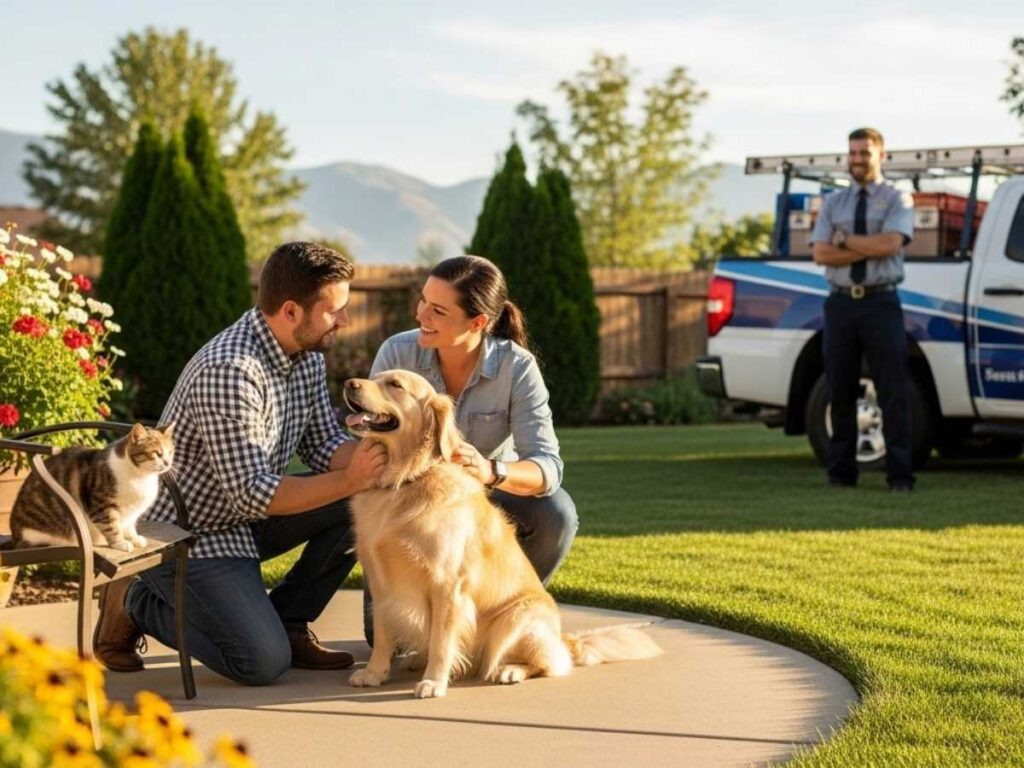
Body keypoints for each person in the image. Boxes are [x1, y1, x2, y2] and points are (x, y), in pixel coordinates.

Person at [93, 241, 388, 686]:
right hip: (190, 532)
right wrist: (351, 478)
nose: (345, 320)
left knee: (368, 493)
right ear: (291, 311)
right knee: (259, 662)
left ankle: (288, 621)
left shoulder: (305, 356)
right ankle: (137, 595)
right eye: (335, 311)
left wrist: (384, 462)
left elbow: (323, 443)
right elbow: (254, 493)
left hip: (245, 516)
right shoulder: (231, 370)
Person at [363, 254, 578, 643]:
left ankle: (498, 617)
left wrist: (491, 471)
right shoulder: (397, 354)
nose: (421, 314)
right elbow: (369, 438)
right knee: (378, 635)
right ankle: (436, 622)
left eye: (438, 310)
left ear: (477, 322)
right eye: (423, 301)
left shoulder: (518, 368)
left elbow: (547, 466)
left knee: (556, 512)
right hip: (412, 501)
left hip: (485, 501)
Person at [811, 127, 916, 492]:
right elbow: (820, 253)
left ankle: (900, 476)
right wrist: (866, 247)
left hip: (881, 302)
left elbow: (891, 244)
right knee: (839, 389)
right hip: (840, 303)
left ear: (881, 155)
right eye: (852, 153)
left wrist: (846, 241)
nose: (857, 159)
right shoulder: (834, 202)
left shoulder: (897, 198)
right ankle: (841, 475)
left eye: (864, 153)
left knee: (892, 389)